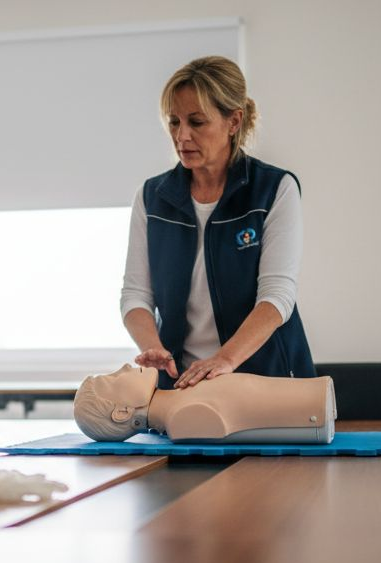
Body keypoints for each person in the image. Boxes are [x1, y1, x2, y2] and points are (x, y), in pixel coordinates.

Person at [121, 56, 316, 391]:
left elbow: (276, 297)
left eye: (196, 122)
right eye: (174, 122)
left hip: (265, 383)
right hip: (182, 385)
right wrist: (152, 346)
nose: (182, 135)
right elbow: (136, 295)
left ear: (234, 121)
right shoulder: (152, 198)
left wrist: (224, 360)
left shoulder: (274, 190)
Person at [73, 364, 335, 443]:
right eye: (113, 378)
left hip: (316, 400)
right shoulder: (182, 417)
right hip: (314, 412)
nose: (125, 367)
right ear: (122, 412)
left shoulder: (181, 400)